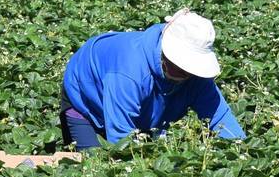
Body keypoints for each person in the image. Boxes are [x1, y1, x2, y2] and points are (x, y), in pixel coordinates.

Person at [60, 10, 244, 150]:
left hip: (136, 106)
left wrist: (240, 151)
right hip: (85, 101)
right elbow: (121, 137)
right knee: (95, 166)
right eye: (178, 63)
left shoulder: (196, 77)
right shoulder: (129, 72)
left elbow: (221, 118)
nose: (184, 71)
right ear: (165, 50)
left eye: (189, 66)